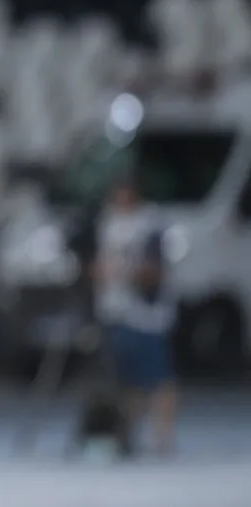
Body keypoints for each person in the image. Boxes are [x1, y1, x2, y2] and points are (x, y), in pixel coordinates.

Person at [93, 178, 177, 457]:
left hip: (145, 314)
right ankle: (127, 437)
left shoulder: (149, 225)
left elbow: (155, 270)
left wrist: (124, 273)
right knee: (127, 381)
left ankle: (162, 437)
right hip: (115, 311)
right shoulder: (109, 223)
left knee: (157, 378)